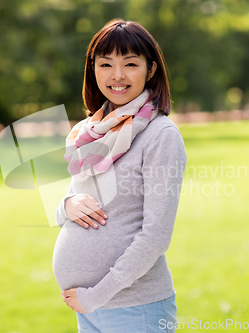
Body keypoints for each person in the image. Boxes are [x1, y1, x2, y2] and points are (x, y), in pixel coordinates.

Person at [53, 18, 187, 333]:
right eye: (106, 64)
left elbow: (156, 237)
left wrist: (95, 296)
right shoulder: (91, 132)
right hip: (90, 309)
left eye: (129, 64)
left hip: (133, 309)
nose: (117, 75)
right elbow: (68, 209)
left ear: (151, 69)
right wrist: (67, 204)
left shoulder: (160, 135)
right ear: (92, 69)